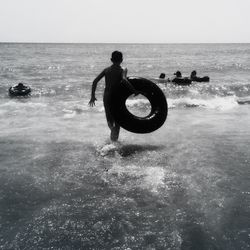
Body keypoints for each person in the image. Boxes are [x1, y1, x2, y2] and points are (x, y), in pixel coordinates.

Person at [89, 51, 138, 141]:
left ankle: (112, 132)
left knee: (109, 118)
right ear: (122, 60)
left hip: (107, 97)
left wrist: (93, 96)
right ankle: (114, 141)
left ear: (111, 60)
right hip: (116, 97)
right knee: (117, 120)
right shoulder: (123, 69)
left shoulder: (106, 70)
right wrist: (133, 90)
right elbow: (124, 80)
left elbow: (95, 81)